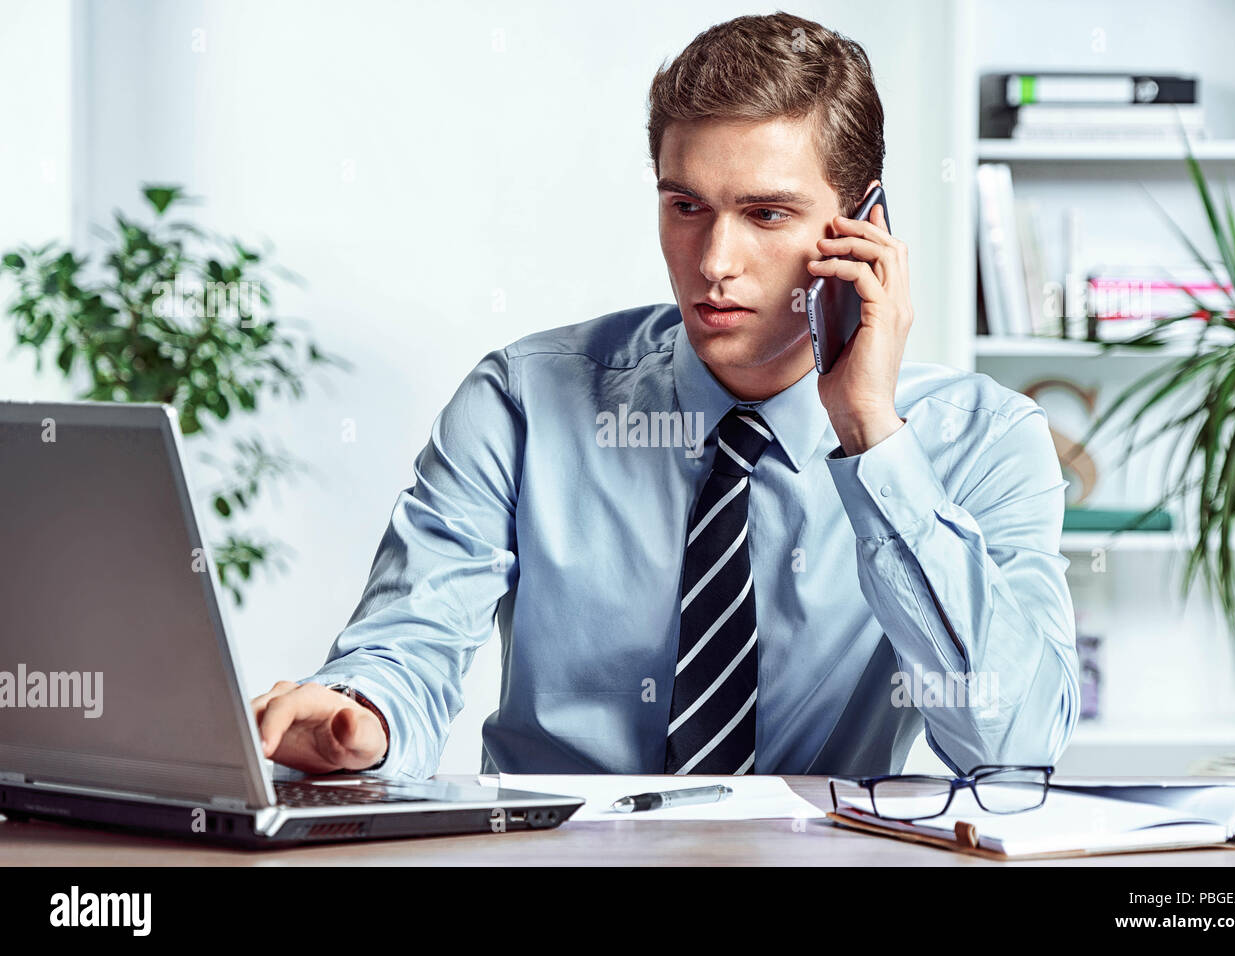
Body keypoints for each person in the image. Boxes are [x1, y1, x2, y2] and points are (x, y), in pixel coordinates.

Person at [253, 11, 1079, 780]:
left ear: (864, 228)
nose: (714, 261)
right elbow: (409, 645)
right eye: (686, 206)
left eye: (766, 214)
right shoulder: (522, 402)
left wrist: (872, 435)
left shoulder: (981, 439)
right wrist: (361, 716)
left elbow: (1013, 746)